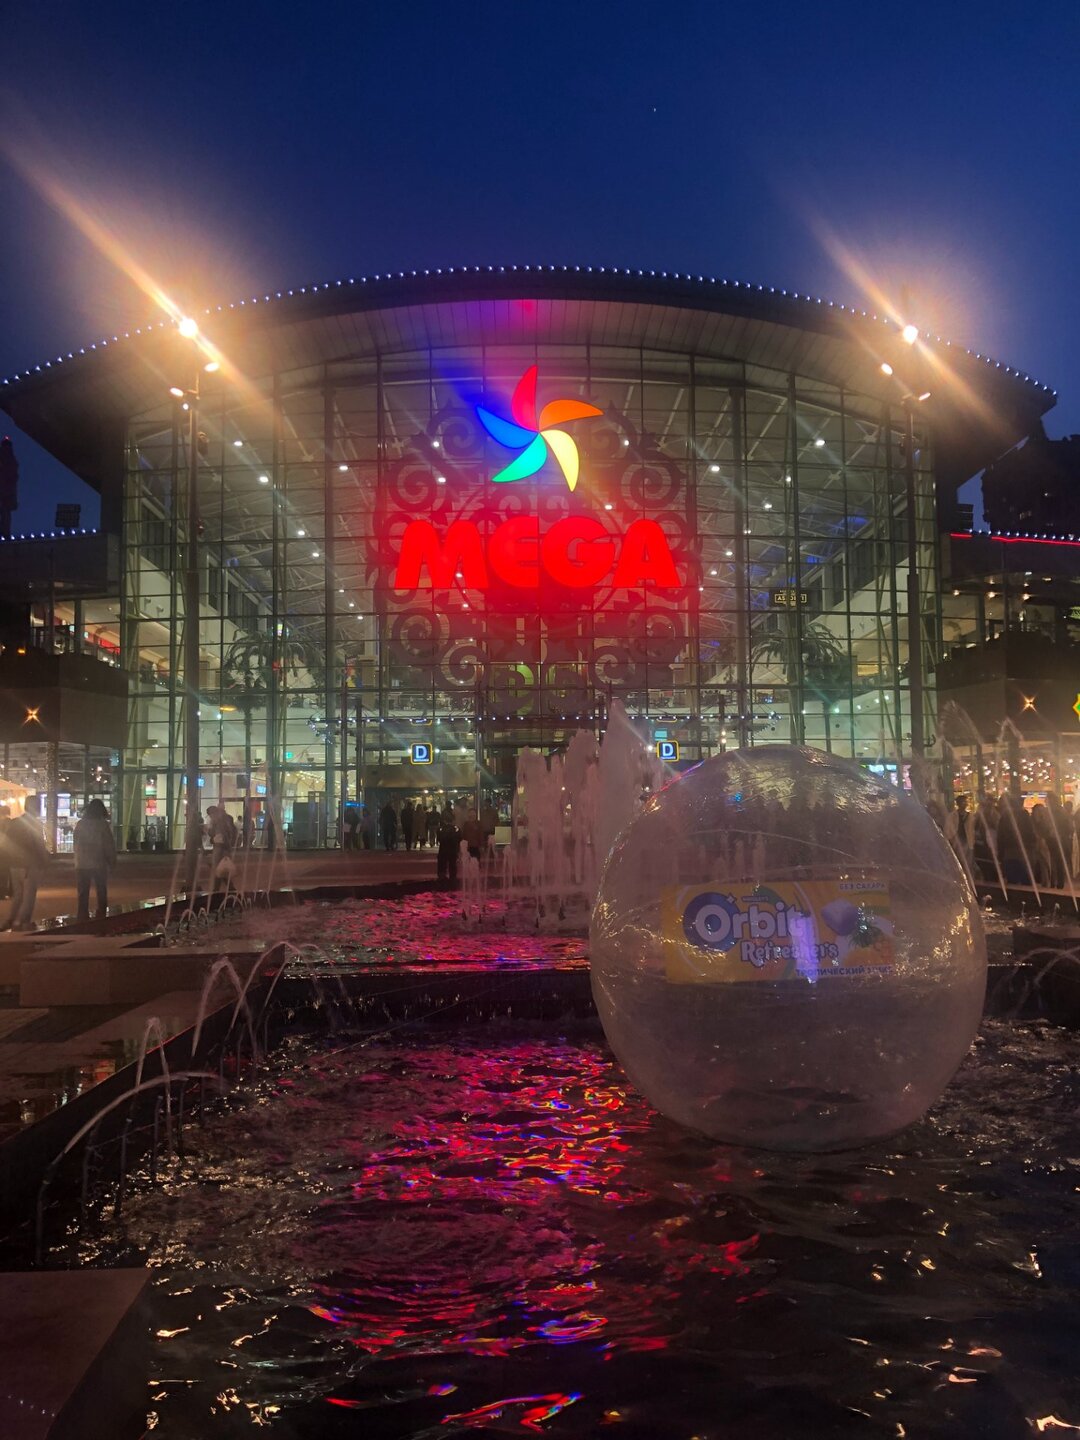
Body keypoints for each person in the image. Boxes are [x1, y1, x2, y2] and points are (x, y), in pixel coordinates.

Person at [3, 800, 49, 932]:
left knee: (18, 895)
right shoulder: (35, 824)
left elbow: (6, 842)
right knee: (29, 896)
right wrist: (44, 861)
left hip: (14, 864)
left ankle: (11, 919)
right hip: (29, 864)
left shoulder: (15, 822)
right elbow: (39, 844)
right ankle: (21, 922)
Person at [73, 799, 116, 920]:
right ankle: (101, 916)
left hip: (82, 863)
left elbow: (76, 843)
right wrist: (112, 861)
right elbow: (108, 845)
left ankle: (82, 916)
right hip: (98, 862)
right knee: (101, 891)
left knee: (83, 893)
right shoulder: (102, 825)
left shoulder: (80, 824)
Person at [436, 808, 461, 883]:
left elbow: (439, 839)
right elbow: (459, 838)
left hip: (443, 850)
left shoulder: (440, 829)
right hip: (452, 850)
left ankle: (442, 879)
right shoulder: (456, 829)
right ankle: (452, 880)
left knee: (442, 866)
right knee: (452, 866)